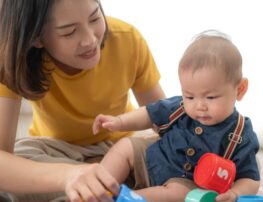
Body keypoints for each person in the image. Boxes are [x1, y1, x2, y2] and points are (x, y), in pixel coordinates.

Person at [0, 0, 165, 201]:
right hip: (57, 153)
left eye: (95, 18)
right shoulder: (12, 59)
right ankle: (110, 185)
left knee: (160, 150)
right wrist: (68, 176)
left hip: (122, 148)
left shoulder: (126, 38)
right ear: (36, 38)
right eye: (68, 32)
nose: (89, 40)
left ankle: (99, 184)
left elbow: (167, 121)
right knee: (20, 158)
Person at [93, 30, 260, 202]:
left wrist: (235, 193)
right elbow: (149, 113)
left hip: (185, 182)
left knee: (178, 195)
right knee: (126, 146)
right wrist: (120, 122)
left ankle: (123, 199)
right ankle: (98, 188)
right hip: (152, 156)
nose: (199, 106)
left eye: (210, 97)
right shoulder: (178, 107)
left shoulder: (240, 134)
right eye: (189, 96)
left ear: (239, 90)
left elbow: (250, 178)